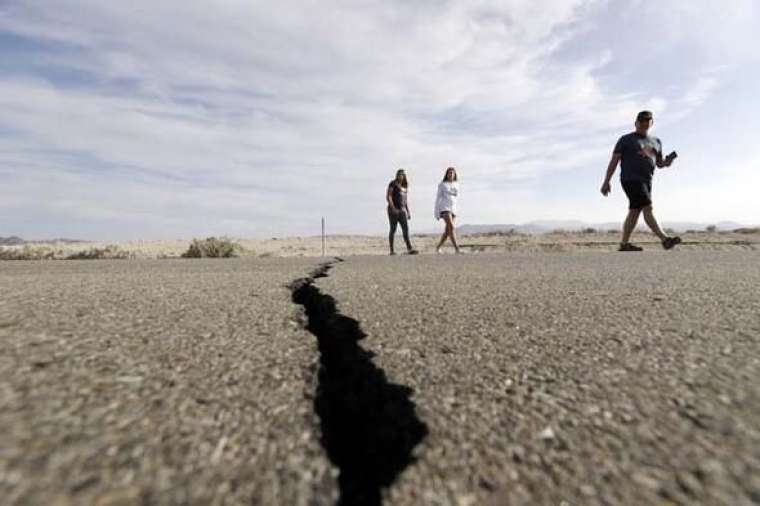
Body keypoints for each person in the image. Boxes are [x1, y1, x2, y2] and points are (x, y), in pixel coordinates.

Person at [601, 111, 682, 251]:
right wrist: (606, 181)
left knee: (634, 211)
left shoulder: (656, 142)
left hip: (647, 180)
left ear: (651, 123)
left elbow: (660, 164)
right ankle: (665, 239)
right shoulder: (625, 139)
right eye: (641, 122)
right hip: (630, 178)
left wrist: (668, 162)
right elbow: (614, 160)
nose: (644, 124)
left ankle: (624, 244)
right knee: (648, 207)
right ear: (636, 123)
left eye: (647, 122)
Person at [386, 169, 418, 255]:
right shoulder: (393, 183)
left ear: (404, 176)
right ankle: (392, 251)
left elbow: (405, 201)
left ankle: (409, 248)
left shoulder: (405, 186)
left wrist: (408, 212)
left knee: (405, 229)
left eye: (402, 175)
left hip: (402, 210)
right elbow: (388, 196)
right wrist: (392, 208)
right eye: (399, 174)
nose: (400, 176)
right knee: (393, 229)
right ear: (397, 175)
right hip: (393, 210)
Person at [434, 167, 461, 254]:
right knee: (452, 227)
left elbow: (455, 198)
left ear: (455, 175)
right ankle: (457, 249)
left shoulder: (456, 184)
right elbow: (438, 198)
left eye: (452, 173)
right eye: (449, 173)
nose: (451, 174)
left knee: (447, 231)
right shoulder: (442, 184)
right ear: (446, 174)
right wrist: (436, 212)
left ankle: (438, 247)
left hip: (453, 209)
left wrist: (456, 210)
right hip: (444, 208)